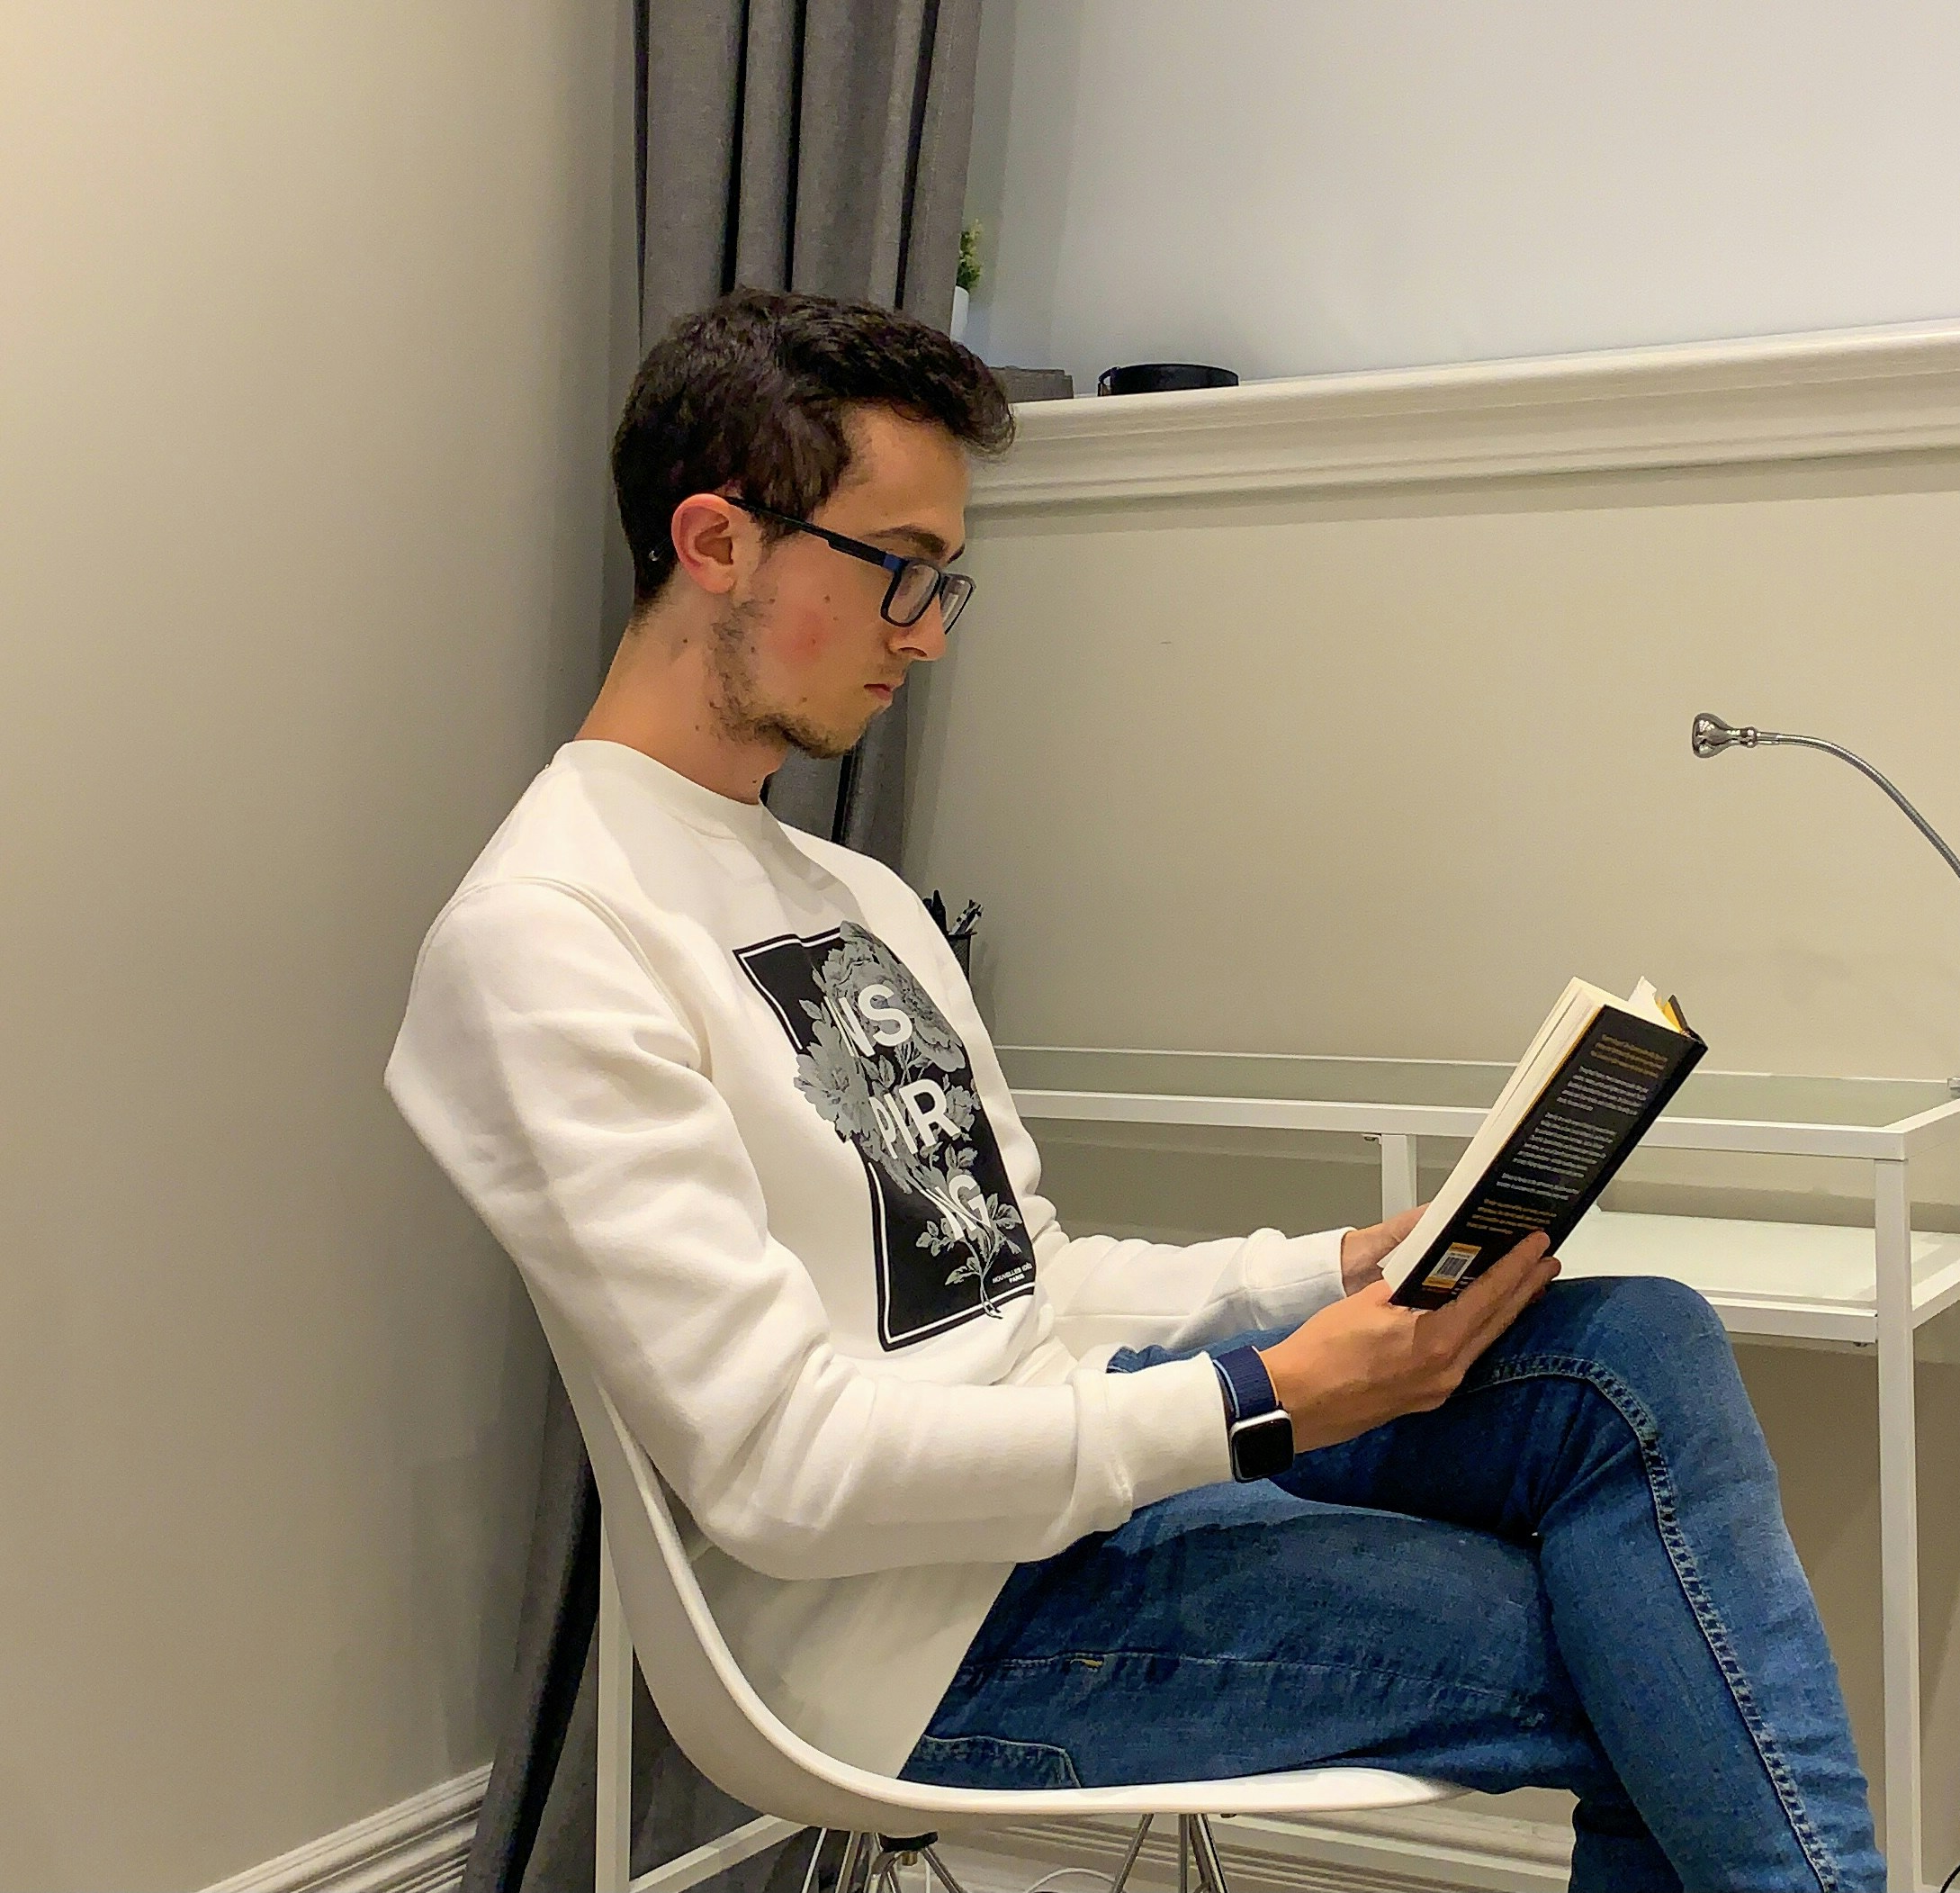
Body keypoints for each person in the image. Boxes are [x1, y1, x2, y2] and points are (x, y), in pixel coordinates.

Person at [387, 289, 1884, 1893]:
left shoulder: (854, 895)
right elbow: (780, 1473)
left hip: (1062, 1495)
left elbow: (1021, 1291)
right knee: (1656, 1656)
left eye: (942, 579)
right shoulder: (549, 940)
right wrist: (1264, 1399)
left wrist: (1323, 1276)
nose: (929, 629)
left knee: (1633, 1346)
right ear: (715, 540)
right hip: (915, 1639)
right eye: (896, 568)